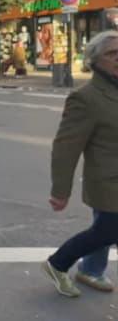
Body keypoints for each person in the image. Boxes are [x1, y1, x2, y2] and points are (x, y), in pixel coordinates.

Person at [42, 30, 118, 298]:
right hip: (109, 181)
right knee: (109, 230)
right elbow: (66, 147)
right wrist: (60, 191)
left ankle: (90, 270)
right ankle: (57, 263)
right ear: (94, 60)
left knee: (104, 230)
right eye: (112, 54)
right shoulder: (86, 98)